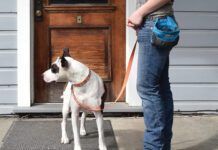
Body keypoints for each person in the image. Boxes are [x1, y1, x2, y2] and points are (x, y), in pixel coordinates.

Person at [127, 0, 176, 149]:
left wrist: (139, 13)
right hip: (157, 22)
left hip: (154, 23)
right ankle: (162, 145)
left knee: (147, 87)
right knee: (160, 88)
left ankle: (154, 147)